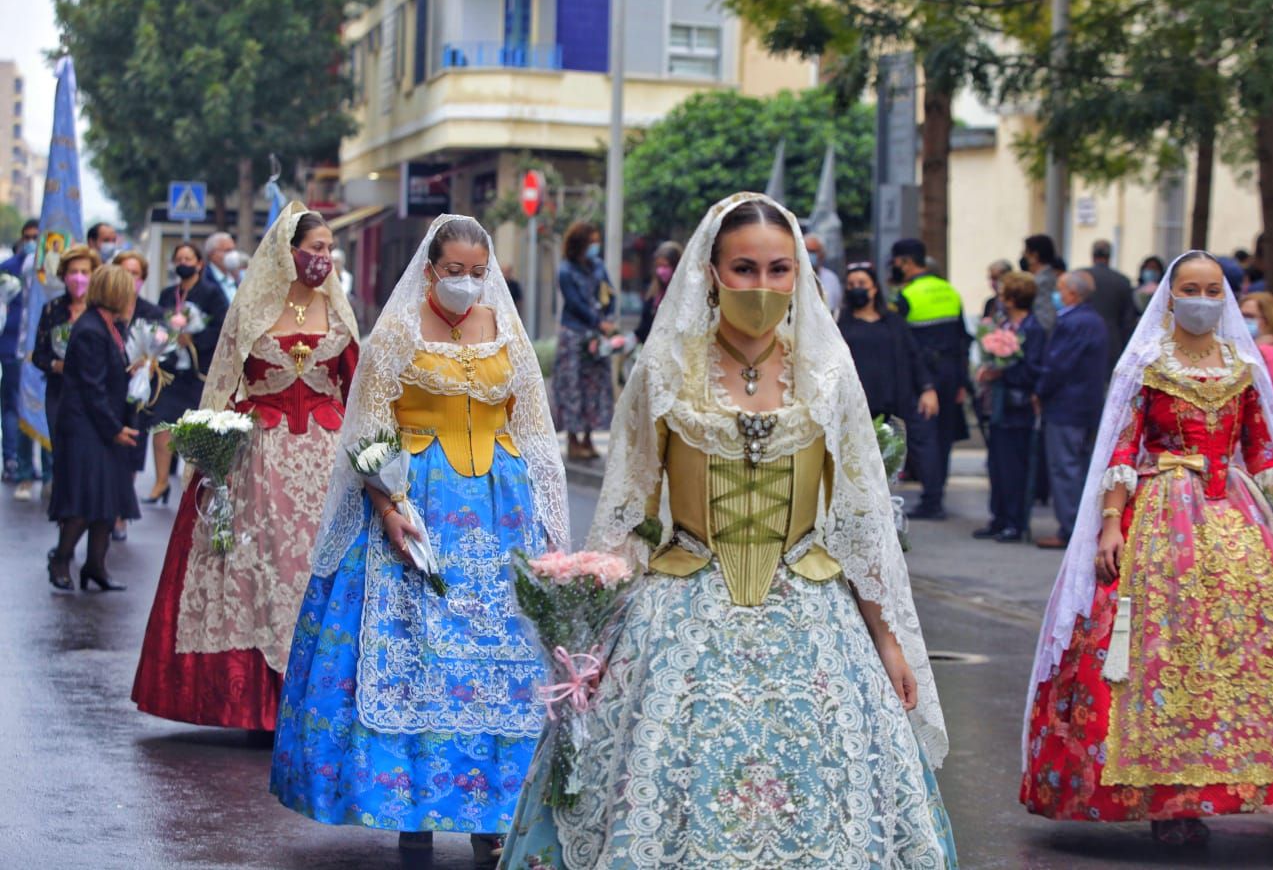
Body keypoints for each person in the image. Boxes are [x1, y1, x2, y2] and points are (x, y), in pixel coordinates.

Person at [501, 193, 957, 869]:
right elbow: (626, 512)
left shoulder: (828, 374)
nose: (763, 286)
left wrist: (889, 642)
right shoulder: (666, 371)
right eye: (745, 268)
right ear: (710, 272)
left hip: (811, 609)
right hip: (682, 605)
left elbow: (862, 523)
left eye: (779, 270)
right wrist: (591, 637)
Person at [1021, 251, 1273, 845]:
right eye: (1191, 289)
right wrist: (1110, 523)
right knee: (1161, 650)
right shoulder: (1149, 366)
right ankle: (1166, 798)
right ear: (1170, 297)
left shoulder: (1241, 366)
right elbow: (1123, 450)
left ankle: (1239, 778)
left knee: (1244, 649)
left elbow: (1261, 450)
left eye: (1213, 289)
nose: (1203, 299)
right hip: (1163, 510)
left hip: (1238, 511)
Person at [271, 215, 567, 858]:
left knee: (504, 659)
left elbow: (535, 429)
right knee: (419, 650)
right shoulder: (396, 336)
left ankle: (494, 820)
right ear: (430, 269)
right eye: (453, 270)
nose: (465, 283)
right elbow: (371, 433)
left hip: (501, 512)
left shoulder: (506, 335)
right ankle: (415, 814)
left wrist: (548, 518)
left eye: (477, 272)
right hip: (417, 503)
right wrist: (388, 508)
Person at [132, 205, 360, 732]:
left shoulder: (340, 313)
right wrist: (213, 456)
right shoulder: (251, 309)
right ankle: (258, 702)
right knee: (263, 569)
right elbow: (222, 387)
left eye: (328, 249)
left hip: (324, 460)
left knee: (315, 570)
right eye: (316, 248)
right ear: (288, 252)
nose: (323, 258)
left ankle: (316, 698)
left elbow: (356, 390)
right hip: (259, 457)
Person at [44, 264, 141, 591]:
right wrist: (114, 428)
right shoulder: (90, 329)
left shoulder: (108, 325)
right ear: (115, 292)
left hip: (101, 427)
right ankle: (61, 557)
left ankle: (96, 565)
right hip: (86, 429)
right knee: (84, 501)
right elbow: (91, 387)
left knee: (107, 500)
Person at [890, 238, 971, 520]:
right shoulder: (950, 291)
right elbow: (963, 338)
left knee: (924, 437)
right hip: (951, 372)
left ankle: (931, 498)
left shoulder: (906, 296)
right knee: (944, 436)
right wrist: (962, 380)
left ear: (906, 263)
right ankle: (938, 493)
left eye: (896, 263)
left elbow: (900, 342)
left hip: (923, 375)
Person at [145, 241, 229, 503]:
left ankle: (194, 486)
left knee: (197, 432)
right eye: (178, 258)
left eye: (188, 258)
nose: (183, 263)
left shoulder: (212, 294)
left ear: (199, 264)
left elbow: (222, 329)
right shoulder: (168, 294)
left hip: (198, 374)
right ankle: (160, 482)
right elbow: (157, 322)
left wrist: (194, 339)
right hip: (170, 372)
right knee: (162, 425)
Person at [1033, 270, 1108, 549]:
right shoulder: (1093, 320)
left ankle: (1071, 529)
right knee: (1077, 466)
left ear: (1072, 294)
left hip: (1066, 406)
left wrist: (1040, 390)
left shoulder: (1073, 322)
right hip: (1086, 405)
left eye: (1061, 289)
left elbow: (1058, 364)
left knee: (1065, 468)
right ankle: (1078, 527)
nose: (1057, 294)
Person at [974, 271, 1046, 543]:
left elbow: (1033, 369)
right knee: (997, 465)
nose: (1000, 300)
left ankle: (1015, 522)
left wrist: (1002, 372)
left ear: (1015, 298)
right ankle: (999, 517)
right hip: (998, 403)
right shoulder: (1003, 325)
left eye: (1004, 295)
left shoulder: (1032, 329)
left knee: (1014, 466)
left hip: (1017, 406)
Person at [838, 260, 939, 430]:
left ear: (875, 288)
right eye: (851, 284)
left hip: (894, 406)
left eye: (862, 283)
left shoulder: (894, 322)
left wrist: (927, 389)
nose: (856, 288)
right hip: (854, 410)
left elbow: (914, 355)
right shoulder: (839, 323)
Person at [32, 246, 100, 492]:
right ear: (64, 275)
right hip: (60, 391)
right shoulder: (53, 310)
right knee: (62, 448)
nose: (79, 277)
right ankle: (65, 502)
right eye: (73, 272)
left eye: (84, 271)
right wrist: (55, 365)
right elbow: (38, 354)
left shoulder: (100, 311)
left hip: (93, 392)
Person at [109, 250, 163, 542]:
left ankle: (120, 513)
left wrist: (150, 361)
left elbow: (161, 344)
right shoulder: (107, 311)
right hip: (109, 391)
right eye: (124, 272)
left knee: (133, 451)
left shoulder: (150, 312)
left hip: (139, 393)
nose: (130, 280)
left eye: (136, 274)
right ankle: (106, 509)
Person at [555, 221, 616, 461]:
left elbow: (610, 293)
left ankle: (589, 438)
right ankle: (572, 439)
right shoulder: (566, 271)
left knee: (595, 387)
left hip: (597, 336)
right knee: (573, 387)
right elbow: (574, 302)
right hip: (575, 334)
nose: (595, 246)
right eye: (591, 241)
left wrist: (608, 318)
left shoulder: (599, 266)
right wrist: (596, 321)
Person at [2, 218, 38, 484]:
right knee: (13, 405)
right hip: (12, 348)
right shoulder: (7, 270)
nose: (31, 241)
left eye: (37, 236)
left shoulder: (50, 271)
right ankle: (13, 460)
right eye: (27, 236)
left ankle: (40, 466)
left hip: (40, 351)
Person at [1083, 239, 1136, 375]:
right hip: (1112, 342)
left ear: (1092, 255)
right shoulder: (1122, 281)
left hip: (1083, 340)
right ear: (1110, 256)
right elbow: (1128, 321)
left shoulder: (1081, 277)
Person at [1240, 290, 1273, 408]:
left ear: (1267, 320)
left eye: (1249, 316)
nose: (1242, 320)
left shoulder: (1264, 351)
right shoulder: (1271, 348)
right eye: (1239, 315)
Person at [634, 240, 682, 345]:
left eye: (665, 266)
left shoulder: (684, 296)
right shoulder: (653, 294)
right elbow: (644, 326)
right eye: (658, 266)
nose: (661, 271)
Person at [1023, 234, 1060, 333]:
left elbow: (1044, 317)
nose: (1024, 255)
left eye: (1026, 252)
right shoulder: (1048, 276)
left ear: (1035, 255)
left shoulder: (1043, 281)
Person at [805, 231, 843, 316]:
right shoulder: (791, 277)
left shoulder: (831, 279)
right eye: (805, 251)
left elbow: (836, 309)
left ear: (822, 254)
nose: (808, 255)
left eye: (812, 252)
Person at [203, 232, 239, 303]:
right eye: (227, 250)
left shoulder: (235, 278)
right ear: (212, 253)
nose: (232, 254)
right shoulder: (204, 278)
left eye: (233, 250)